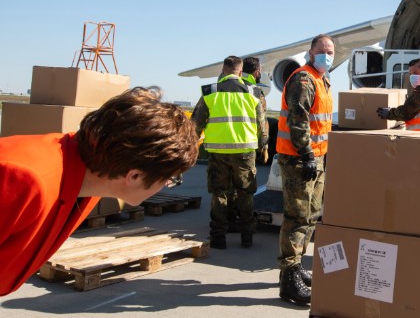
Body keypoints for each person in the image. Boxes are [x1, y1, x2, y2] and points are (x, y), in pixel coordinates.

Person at [0, 87, 198, 296]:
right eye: (170, 179)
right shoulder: (22, 180)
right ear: (134, 176)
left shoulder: (92, 174)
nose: (168, 184)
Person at [276, 34, 334, 305]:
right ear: (311, 53)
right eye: (322, 51)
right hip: (299, 159)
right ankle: (288, 278)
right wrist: (308, 153)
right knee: (297, 217)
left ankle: (297, 267)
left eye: (331, 52)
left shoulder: (322, 80)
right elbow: (298, 120)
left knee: (311, 215)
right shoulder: (304, 80)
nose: (327, 56)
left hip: (316, 158)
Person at [191, 56, 266, 250]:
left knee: (219, 193)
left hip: (218, 152)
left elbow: (196, 124)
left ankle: (218, 237)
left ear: (223, 71)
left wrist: (190, 147)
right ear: (241, 72)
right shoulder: (253, 92)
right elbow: (262, 124)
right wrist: (263, 146)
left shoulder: (210, 92)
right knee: (246, 193)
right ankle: (247, 237)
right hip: (245, 152)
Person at [376, 58, 420, 132]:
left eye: (415, 73)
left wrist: (389, 113)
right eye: (410, 74)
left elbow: (406, 112)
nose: (412, 77)